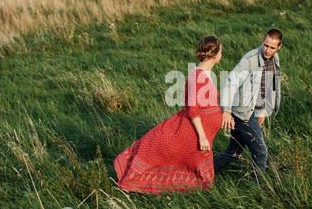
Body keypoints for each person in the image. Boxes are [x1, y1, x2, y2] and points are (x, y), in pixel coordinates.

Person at [114, 36, 223, 194]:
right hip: (194, 133)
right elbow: (192, 108)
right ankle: (134, 184)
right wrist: (202, 136)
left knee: (202, 176)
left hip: (202, 132)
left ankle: (195, 195)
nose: (222, 54)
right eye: (221, 51)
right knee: (197, 175)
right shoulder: (197, 75)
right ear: (214, 54)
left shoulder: (205, 75)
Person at [214, 29, 282, 180]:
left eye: (272, 47)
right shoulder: (250, 60)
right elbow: (231, 83)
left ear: (279, 47)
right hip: (241, 113)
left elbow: (267, 83)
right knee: (261, 152)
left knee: (233, 152)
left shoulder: (274, 58)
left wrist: (262, 108)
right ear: (262, 40)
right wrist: (226, 111)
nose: (267, 50)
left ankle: (204, 173)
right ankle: (257, 189)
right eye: (265, 45)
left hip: (251, 109)